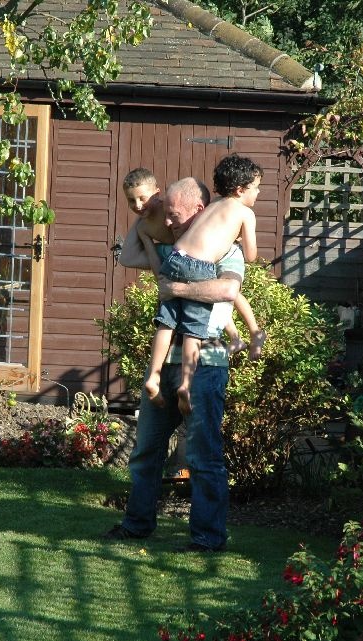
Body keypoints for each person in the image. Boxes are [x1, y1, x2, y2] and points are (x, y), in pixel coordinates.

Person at [105, 176, 243, 552]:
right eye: (165, 214)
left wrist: (177, 288)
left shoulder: (226, 248)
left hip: (205, 366)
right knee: (145, 452)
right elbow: (128, 256)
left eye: (174, 214)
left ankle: (207, 539)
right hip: (166, 363)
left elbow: (227, 290)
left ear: (199, 211)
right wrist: (143, 222)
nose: (167, 221)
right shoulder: (172, 248)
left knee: (202, 456)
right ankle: (137, 526)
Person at [138, 156, 266, 415]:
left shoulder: (214, 203)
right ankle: (185, 385)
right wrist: (237, 239)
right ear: (240, 190)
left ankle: (153, 376)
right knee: (193, 330)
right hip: (199, 266)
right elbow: (251, 256)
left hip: (176, 256)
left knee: (166, 323)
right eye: (256, 187)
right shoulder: (245, 213)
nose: (258, 192)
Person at [121, 168, 265, 364]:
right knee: (203, 295)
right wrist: (162, 278)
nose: (138, 205)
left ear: (156, 193)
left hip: (201, 255)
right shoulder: (143, 226)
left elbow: (208, 222)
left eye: (142, 198)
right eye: (131, 200)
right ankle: (235, 337)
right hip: (179, 259)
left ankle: (252, 331)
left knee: (223, 289)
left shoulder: (172, 205)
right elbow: (144, 257)